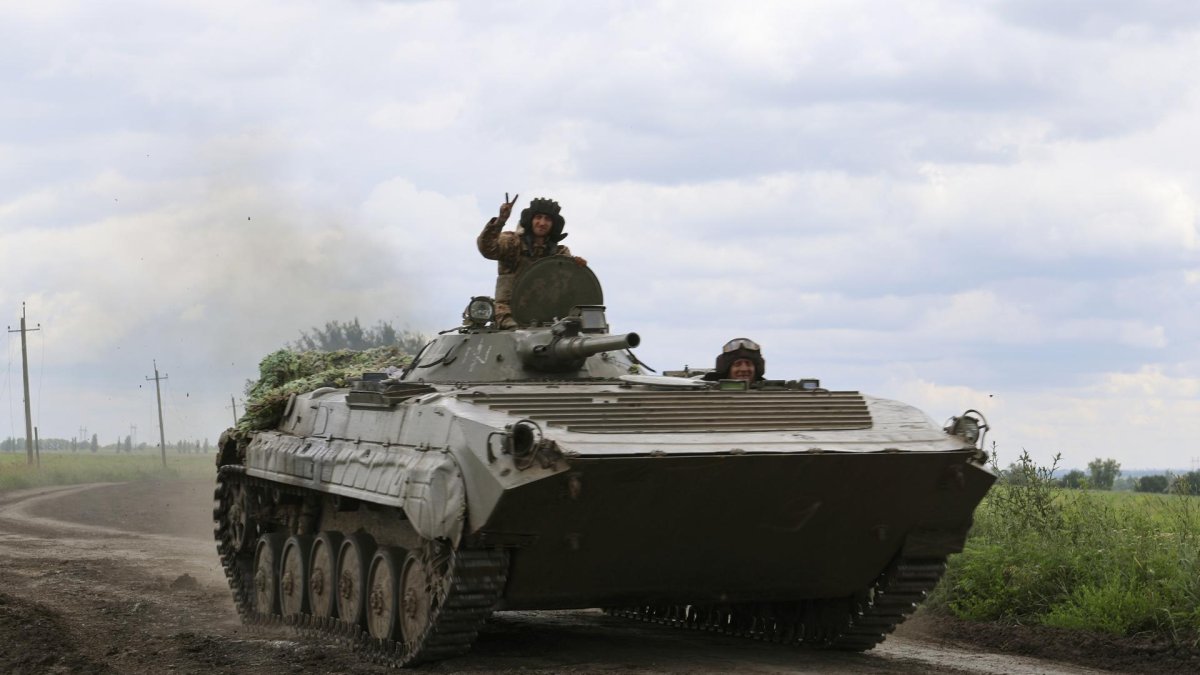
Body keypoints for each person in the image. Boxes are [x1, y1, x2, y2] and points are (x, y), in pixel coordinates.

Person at [477, 194, 587, 329]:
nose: (542, 223)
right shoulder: (513, 243)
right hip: (509, 314)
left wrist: (577, 266)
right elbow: (487, 248)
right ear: (530, 219)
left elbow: (568, 284)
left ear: (554, 224)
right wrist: (500, 221)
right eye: (538, 217)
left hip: (548, 317)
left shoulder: (559, 253)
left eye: (547, 219)